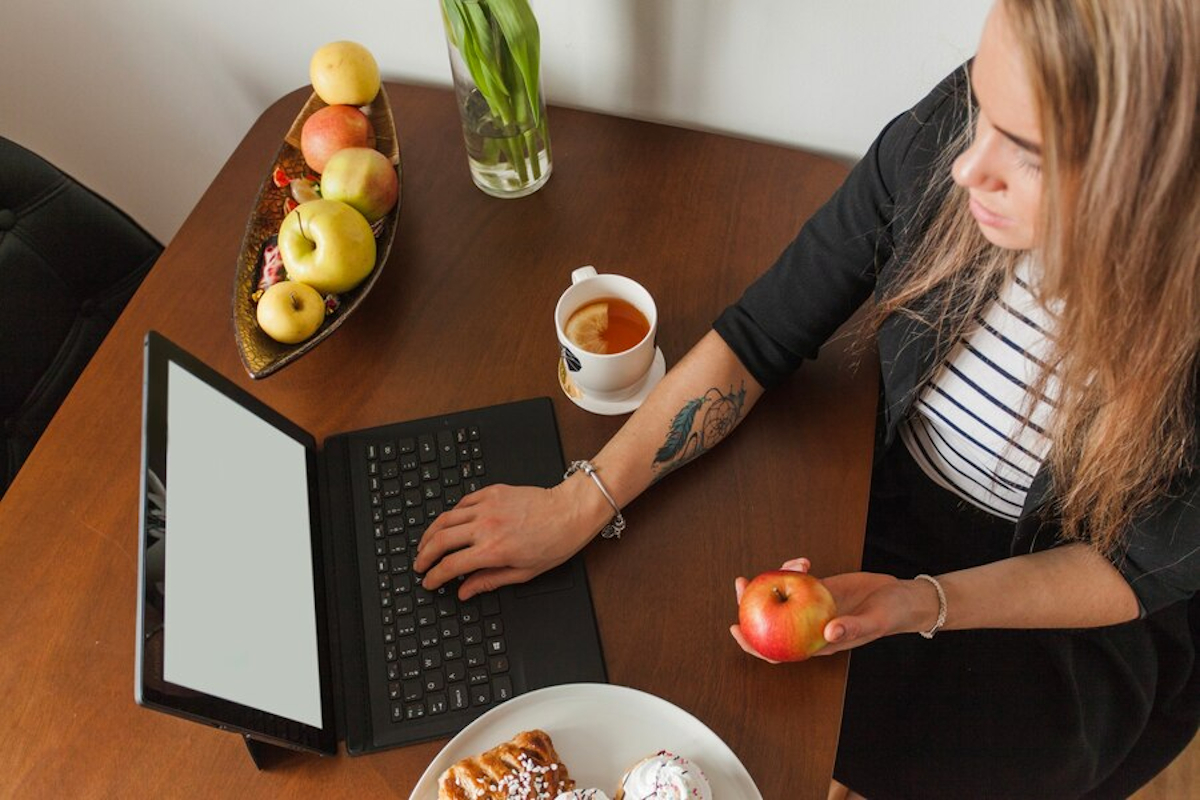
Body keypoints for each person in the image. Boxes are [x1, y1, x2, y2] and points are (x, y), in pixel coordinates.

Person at [415, 0, 1200, 795]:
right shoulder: (953, 138)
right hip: (887, 495)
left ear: (1157, 182)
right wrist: (581, 501)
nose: (968, 165)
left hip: (1069, 609)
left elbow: (1133, 571)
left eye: (1027, 152)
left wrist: (921, 603)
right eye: (983, 102)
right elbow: (760, 335)